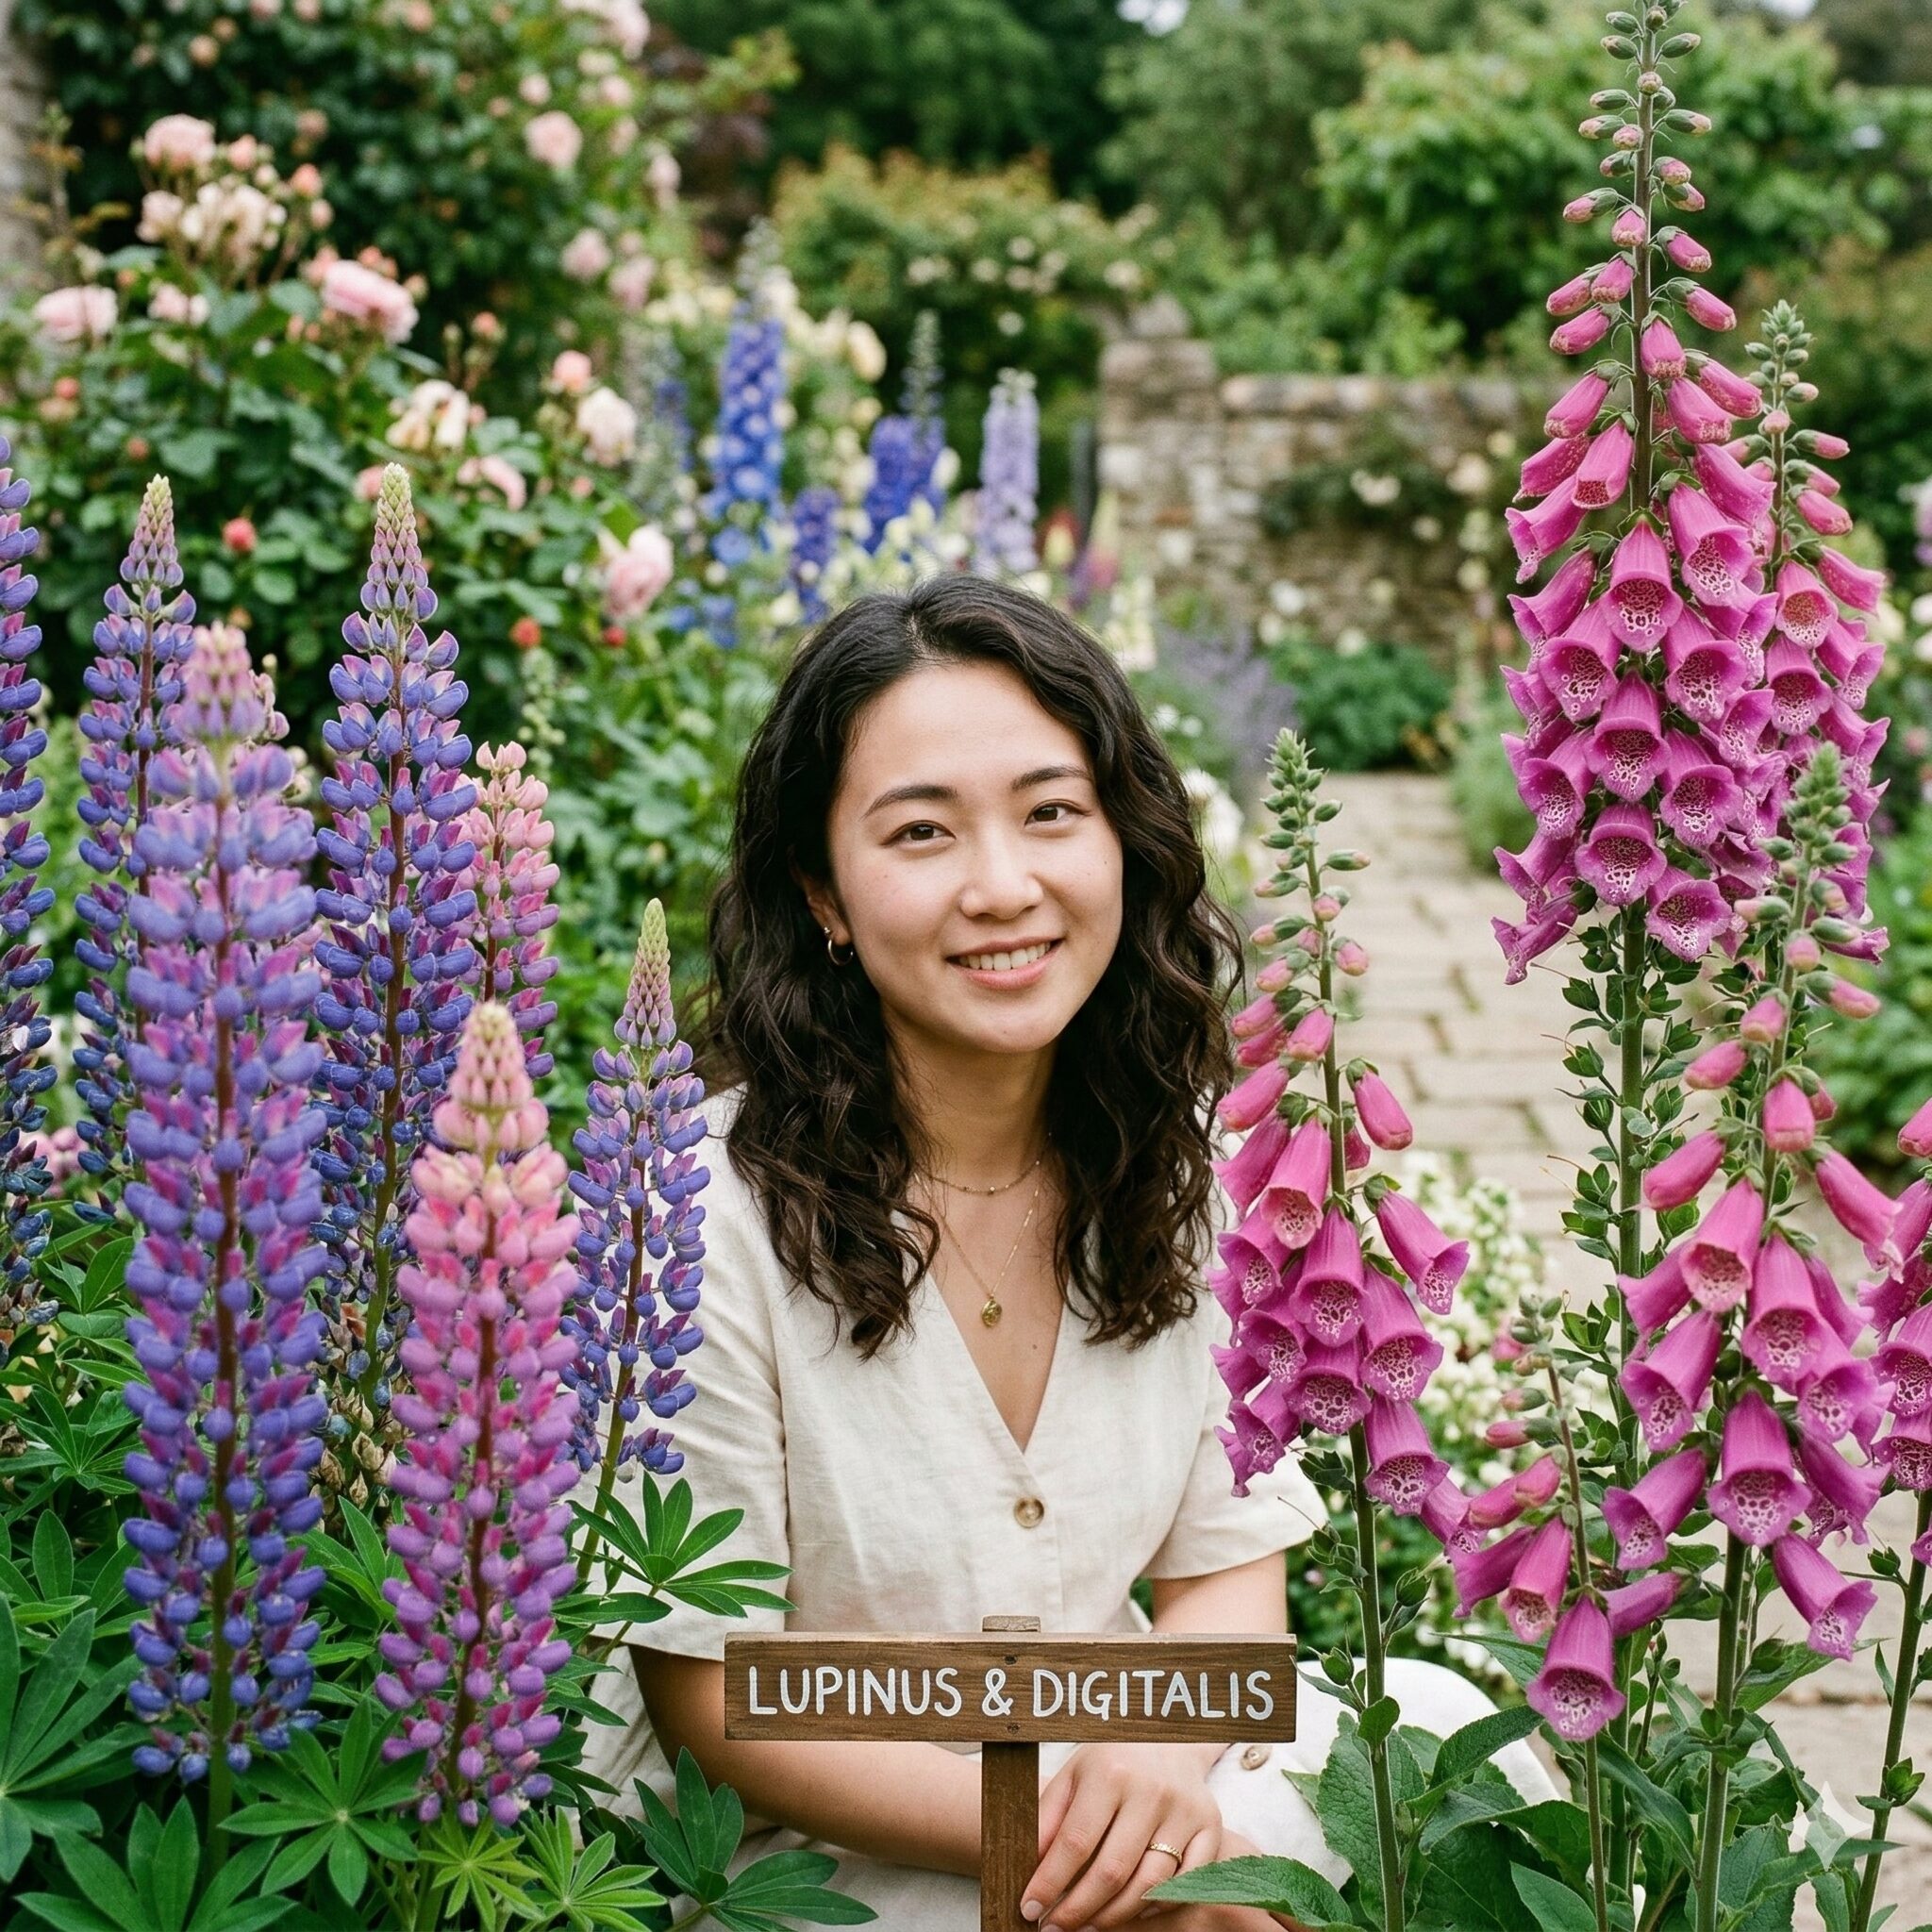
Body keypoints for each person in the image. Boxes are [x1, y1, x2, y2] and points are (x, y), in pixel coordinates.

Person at [580, 575, 1551, 1930]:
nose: (1003, 886)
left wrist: (1155, 1782)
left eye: (1051, 813)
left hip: (1120, 1774)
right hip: (805, 1852)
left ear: (1123, 839)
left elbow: (1225, 1566)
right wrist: (1115, 1874)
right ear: (825, 896)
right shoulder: (690, 1211)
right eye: (921, 832)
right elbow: (712, 1702)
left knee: (1453, 1748)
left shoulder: (1198, 1155)